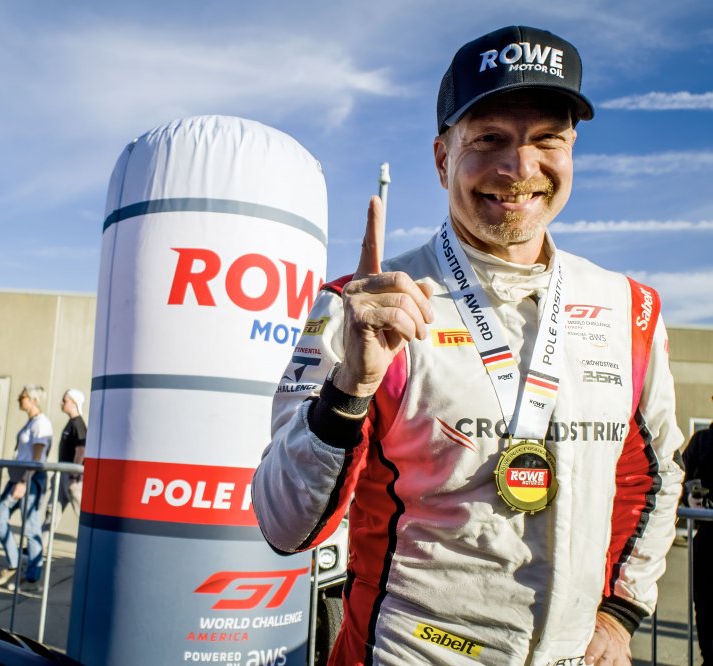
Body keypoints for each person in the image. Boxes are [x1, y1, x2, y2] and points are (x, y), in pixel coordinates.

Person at [252, 25, 683, 665]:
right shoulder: (364, 303)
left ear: (571, 151)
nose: (521, 169)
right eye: (489, 139)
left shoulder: (630, 309)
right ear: (441, 157)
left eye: (547, 140)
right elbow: (283, 525)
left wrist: (619, 613)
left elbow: (649, 477)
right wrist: (350, 388)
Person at [0, 385, 53, 592]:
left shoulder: (42, 424)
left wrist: (25, 482)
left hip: (30, 479)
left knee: (31, 526)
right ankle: (15, 563)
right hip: (18, 478)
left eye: (23, 396)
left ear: (34, 400)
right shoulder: (31, 422)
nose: (20, 399)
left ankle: (32, 579)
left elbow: (38, 456)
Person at [683, 401, 713, 664]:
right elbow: (680, 476)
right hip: (706, 538)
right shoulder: (702, 441)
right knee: (704, 604)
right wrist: (689, 497)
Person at [44, 388, 86, 532]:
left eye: (65, 400)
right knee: (51, 512)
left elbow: (81, 450)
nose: (61, 403)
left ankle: (97, 541)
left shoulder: (78, 424)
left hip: (72, 478)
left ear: (74, 403)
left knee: (84, 515)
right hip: (62, 475)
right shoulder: (71, 423)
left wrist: (74, 475)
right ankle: (39, 544)